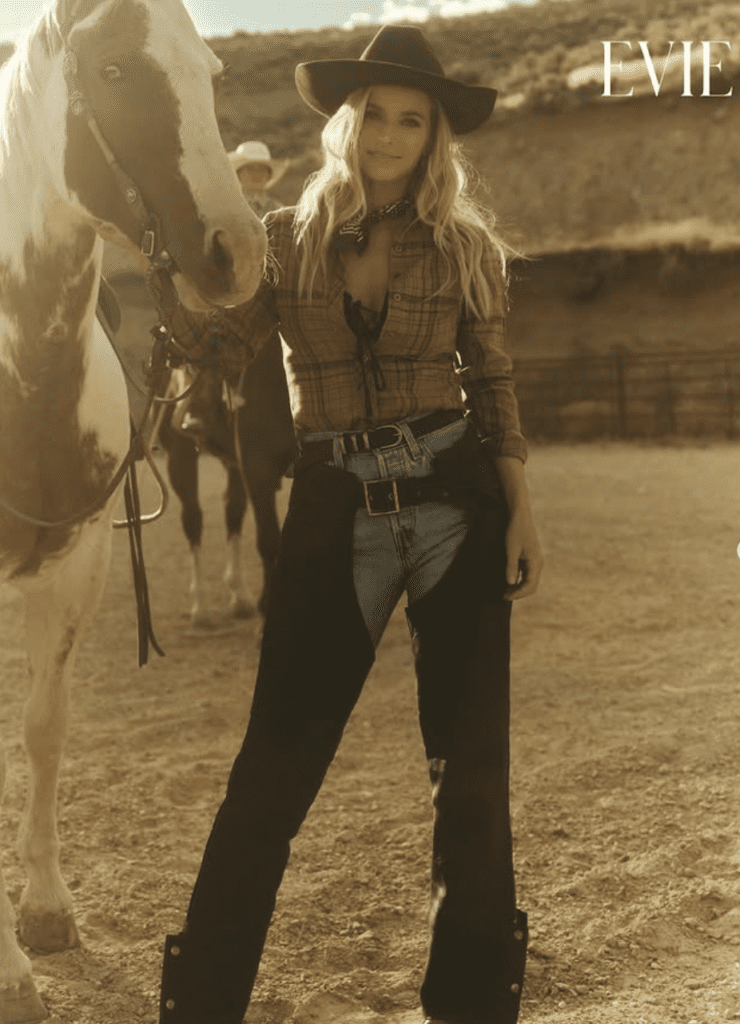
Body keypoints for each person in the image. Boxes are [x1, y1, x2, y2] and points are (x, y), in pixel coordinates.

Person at [159, 23, 544, 1024]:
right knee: (271, 775)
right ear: (346, 118)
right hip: (337, 507)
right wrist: (177, 261)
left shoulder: (464, 247)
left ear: (433, 138)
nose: (386, 137)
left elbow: (492, 384)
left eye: (409, 122)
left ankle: (469, 1006)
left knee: (469, 777)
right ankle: (200, 1004)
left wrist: (520, 510)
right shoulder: (283, 238)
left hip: (457, 503)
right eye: (373, 115)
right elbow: (219, 343)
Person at [229, 140, 289, 218]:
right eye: (250, 169)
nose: (256, 173)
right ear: (238, 174)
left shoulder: (280, 212)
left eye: (262, 169)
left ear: (269, 175)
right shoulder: (228, 208)